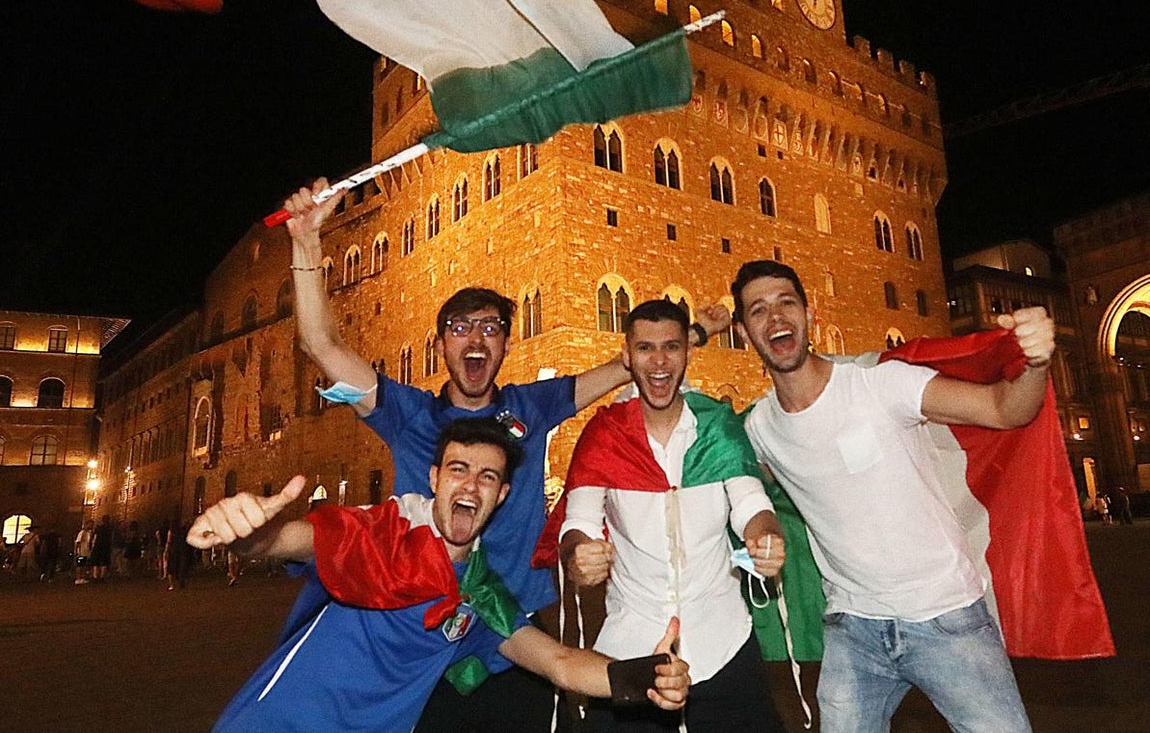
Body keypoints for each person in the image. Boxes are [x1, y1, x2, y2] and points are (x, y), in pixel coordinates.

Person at [282, 178, 728, 730]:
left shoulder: (529, 407)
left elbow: (628, 366)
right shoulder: (408, 414)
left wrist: (693, 335)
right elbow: (322, 345)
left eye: (490, 328)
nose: (476, 339)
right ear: (441, 345)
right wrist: (306, 243)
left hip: (517, 638)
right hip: (425, 631)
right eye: (460, 328)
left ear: (505, 345)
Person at [188, 418, 690, 732]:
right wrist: (250, 533)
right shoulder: (384, 531)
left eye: (487, 476)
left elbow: (558, 662)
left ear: (501, 496)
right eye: (458, 469)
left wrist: (642, 677)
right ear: (434, 479)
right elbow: (297, 540)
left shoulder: (481, 595)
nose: (471, 485)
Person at [731, 259, 1054, 732]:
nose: (775, 316)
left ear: (810, 314)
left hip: (945, 616)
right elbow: (739, 489)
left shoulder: (881, 384)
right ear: (744, 333)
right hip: (852, 627)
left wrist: (1036, 362)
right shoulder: (760, 428)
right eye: (758, 310)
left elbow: (1006, 409)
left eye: (786, 303)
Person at [552, 300, 787, 731]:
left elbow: (752, 506)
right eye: (645, 348)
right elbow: (578, 524)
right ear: (627, 356)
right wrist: (578, 556)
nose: (659, 361)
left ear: (687, 353)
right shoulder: (603, 434)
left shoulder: (717, 425)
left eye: (671, 347)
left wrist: (766, 537)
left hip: (724, 641)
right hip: (631, 647)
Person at [90, 515, 113, 582]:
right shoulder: (109, 528)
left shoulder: (98, 528)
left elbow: (94, 537)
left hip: (98, 545)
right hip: (106, 546)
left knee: (96, 561)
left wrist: (92, 545)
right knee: (104, 562)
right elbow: (111, 538)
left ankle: (95, 576)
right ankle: (102, 576)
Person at [74, 520, 94, 584]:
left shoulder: (89, 533)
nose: (91, 526)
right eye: (90, 524)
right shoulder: (82, 533)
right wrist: (77, 551)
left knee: (84, 565)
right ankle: (78, 578)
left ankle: (83, 578)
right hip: (81, 551)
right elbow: (78, 542)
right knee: (79, 566)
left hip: (86, 551)